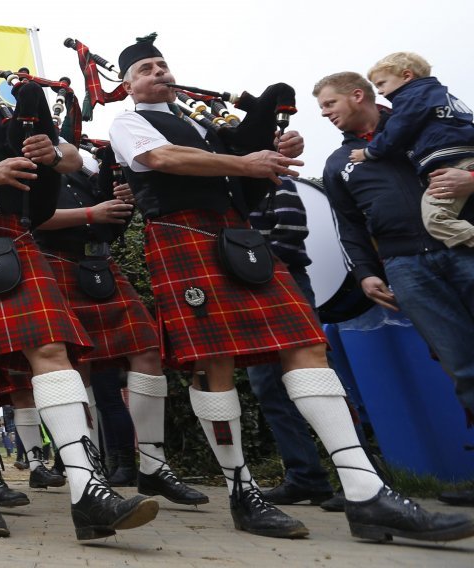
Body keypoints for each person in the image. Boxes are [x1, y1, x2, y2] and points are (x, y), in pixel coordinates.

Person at [109, 33, 474, 543]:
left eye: (162, 64)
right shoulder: (128, 122)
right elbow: (163, 161)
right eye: (145, 69)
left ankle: (366, 493)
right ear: (126, 85)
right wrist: (246, 163)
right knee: (216, 363)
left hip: (238, 238)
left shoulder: (206, 124)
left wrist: (273, 153)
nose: (158, 73)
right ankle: (242, 492)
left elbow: (246, 177)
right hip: (181, 236)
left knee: (306, 344)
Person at [0, 22, 159, 539]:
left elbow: (73, 158)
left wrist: (48, 152)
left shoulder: (17, 116)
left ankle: (88, 491)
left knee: (52, 351)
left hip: (14, 237)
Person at [314, 70, 474, 509]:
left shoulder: (425, 120)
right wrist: (366, 272)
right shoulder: (336, 163)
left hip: (465, 247)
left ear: (357, 94)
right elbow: (348, 224)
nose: (325, 115)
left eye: (329, 104)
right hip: (406, 267)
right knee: (462, 367)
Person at [33, 159, 208, 505]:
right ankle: (90, 470)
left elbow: (112, 219)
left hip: (101, 264)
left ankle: (155, 467)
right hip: (54, 262)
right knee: (74, 365)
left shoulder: (88, 167)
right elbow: (31, 219)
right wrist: (91, 213)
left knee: (147, 350)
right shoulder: (30, 166)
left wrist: (124, 202)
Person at [346, 52, 474, 248]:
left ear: (407, 76)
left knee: (436, 219)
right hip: (466, 158)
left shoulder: (411, 97)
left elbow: (398, 129)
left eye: (381, 83)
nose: (380, 92)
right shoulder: (442, 96)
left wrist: (368, 152)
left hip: (450, 163)